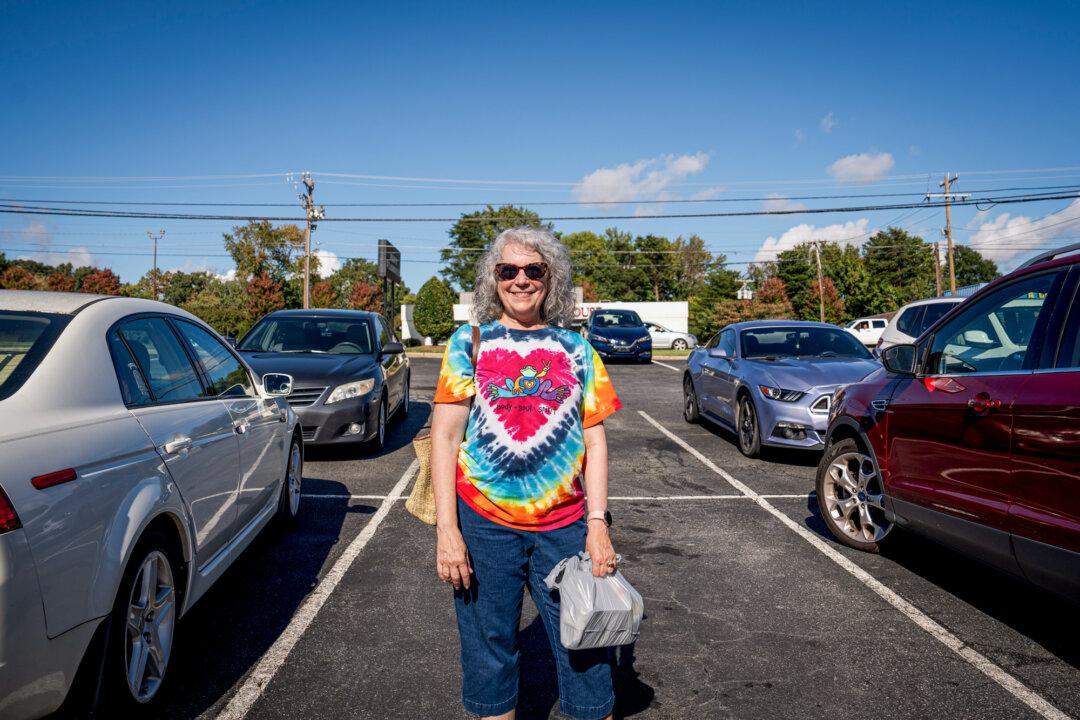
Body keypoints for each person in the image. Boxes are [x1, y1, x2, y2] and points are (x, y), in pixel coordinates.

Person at [431, 226, 622, 720]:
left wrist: (597, 525)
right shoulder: (467, 343)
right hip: (483, 524)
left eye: (533, 270)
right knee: (488, 648)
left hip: (564, 526)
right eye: (508, 270)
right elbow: (446, 440)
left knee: (585, 646)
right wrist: (448, 532)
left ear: (550, 279)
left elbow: (595, 441)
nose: (521, 280)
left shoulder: (577, 349)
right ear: (492, 279)